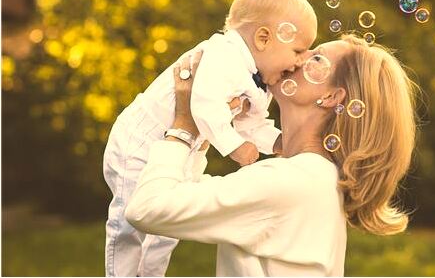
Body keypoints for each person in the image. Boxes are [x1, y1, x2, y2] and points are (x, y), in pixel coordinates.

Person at [125, 33, 418, 276]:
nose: (300, 58)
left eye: (316, 58)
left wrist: (184, 126)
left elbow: (148, 208)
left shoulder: (290, 182)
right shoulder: (312, 178)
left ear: (331, 97)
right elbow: (182, 192)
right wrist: (205, 128)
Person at [103, 0, 318, 276]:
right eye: (297, 50)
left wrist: (281, 142)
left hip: (185, 150)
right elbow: (203, 103)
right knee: (129, 220)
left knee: (166, 227)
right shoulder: (223, 55)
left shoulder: (260, 82)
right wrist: (234, 147)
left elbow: (253, 124)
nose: (299, 62)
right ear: (264, 38)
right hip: (141, 140)